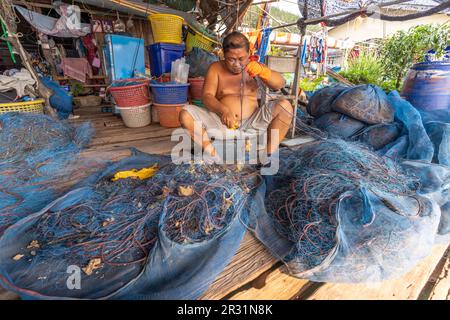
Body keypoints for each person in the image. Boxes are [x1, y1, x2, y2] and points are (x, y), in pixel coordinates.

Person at [179, 31, 293, 164]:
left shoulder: (256, 67)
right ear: (223, 54)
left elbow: (280, 83)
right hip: (223, 125)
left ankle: (268, 156)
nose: (236, 64)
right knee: (185, 114)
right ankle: (215, 158)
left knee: (285, 106)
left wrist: (263, 72)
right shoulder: (215, 68)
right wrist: (224, 110)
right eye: (231, 59)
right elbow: (206, 96)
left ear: (249, 53)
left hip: (253, 124)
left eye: (241, 59)